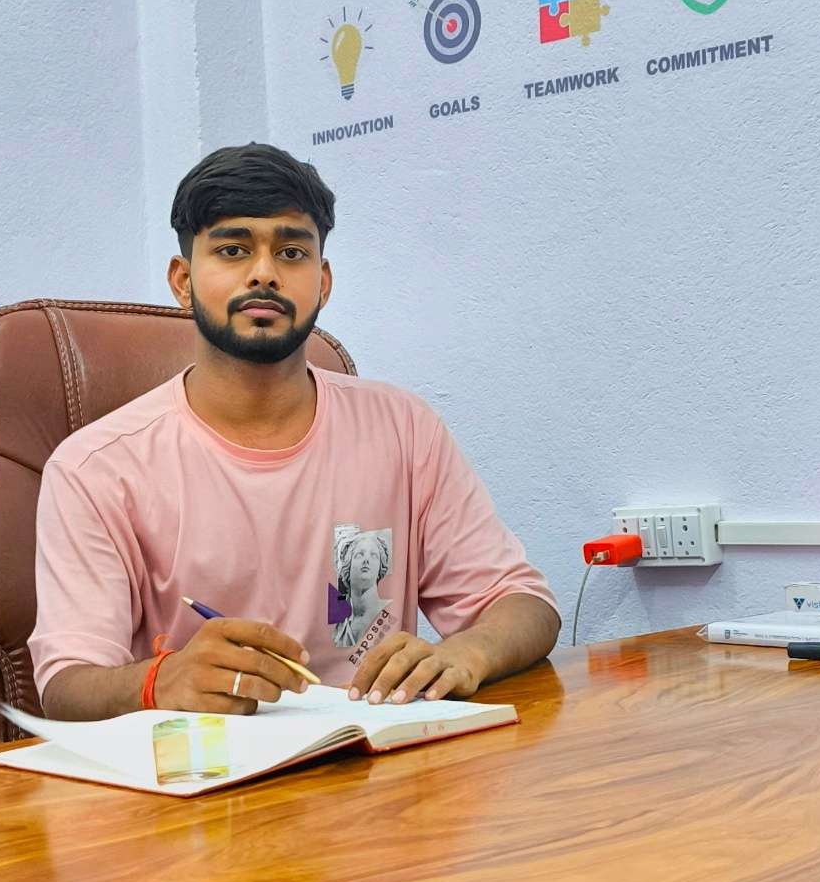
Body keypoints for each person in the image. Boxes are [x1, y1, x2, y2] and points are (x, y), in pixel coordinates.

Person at [32, 142, 560, 717]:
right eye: (232, 250)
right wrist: (160, 682)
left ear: (323, 283)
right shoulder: (96, 467)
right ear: (182, 281)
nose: (264, 273)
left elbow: (524, 604)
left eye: (291, 252)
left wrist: (467, 652)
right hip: (208, 763)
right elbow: (66, 686)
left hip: (379, 755)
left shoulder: (404, 429)